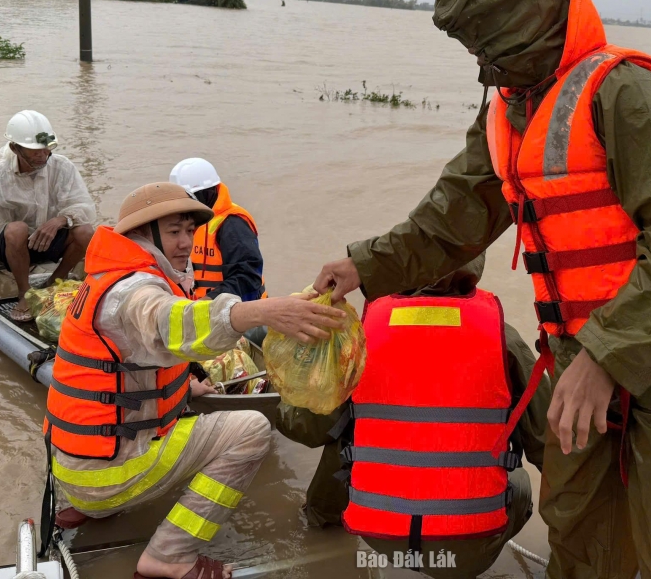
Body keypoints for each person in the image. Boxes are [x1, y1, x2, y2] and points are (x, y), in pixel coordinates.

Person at [312, 0, 651, 579]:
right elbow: (445, 225)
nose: (479, 61)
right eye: (470, 42)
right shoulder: (506, 116)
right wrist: (361, 265)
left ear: (526, 18)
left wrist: (608, 354)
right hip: (575, 357)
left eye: (486, 39)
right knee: (575, 537)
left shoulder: (627, 94)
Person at [44, 182, 345, 579]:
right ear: (140, 236)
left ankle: (97, 506)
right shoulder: (135, 292)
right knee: (252, 429)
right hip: (105, 476)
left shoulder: (108, 278)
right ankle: (169, 556)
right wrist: (262, 312)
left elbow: (128, 370)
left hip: (71, 471)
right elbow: (177, 322)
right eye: (173, 232)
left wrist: (183, 387)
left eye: (189, 230)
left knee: (184, 407)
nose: (186, 242)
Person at [276, 255, 551, 579]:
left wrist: (283, 396)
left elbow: (308, 428)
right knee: (517, 477)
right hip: (466, 549)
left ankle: (322, 526)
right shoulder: (500, 334)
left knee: (348, 430)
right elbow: (551, 448)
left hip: (379, 536)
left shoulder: (365, 331)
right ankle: (456, 564)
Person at [0, 110, 95, 321]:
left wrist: (59, 220)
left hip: (49, 242)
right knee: (16, 228)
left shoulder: (63, 167)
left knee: (86, 231)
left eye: (46, 149)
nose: (43, 156)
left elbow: (83, 206)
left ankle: (53, 282)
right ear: (15, 148)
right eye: (35, 151)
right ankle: (25, 293)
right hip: (12, 248)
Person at [170, 158, 267, 302]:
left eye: (190, 198)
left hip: (243, 313)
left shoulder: (233, 224)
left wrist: (209, 300)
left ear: (208, 192)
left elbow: (247, 277)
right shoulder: (197, 220)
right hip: (210, 309)